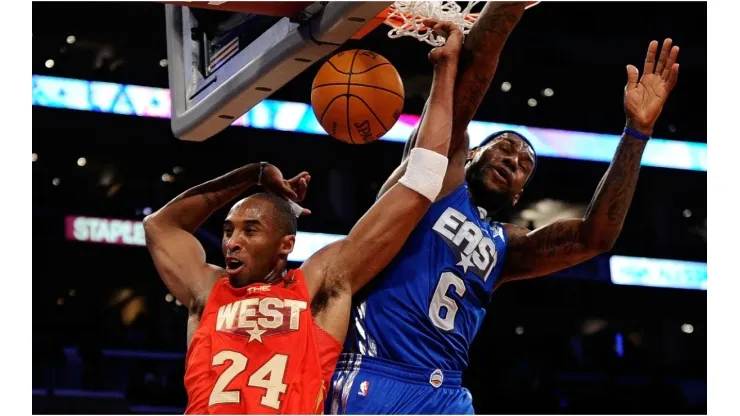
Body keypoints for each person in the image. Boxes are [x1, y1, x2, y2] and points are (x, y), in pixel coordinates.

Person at [329, 2, 681, 414]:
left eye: (523, 166)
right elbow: (471, 79)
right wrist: (509, 7)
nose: (514, 161)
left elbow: (595, 237)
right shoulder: (435, 180)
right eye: (505, 150)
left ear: (519, 196)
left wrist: (636, 133)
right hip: (377, 371)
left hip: (448, 393)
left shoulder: (506, 247)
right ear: (472, 154)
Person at [143, 22, 464, 414]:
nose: (231, 242)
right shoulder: (208, 289)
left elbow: (420, 184)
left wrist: (446, 69)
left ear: (286, 245)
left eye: (250, 229)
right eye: (228, 231)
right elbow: (161, 226)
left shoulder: (316, 286)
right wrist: (253, 174)